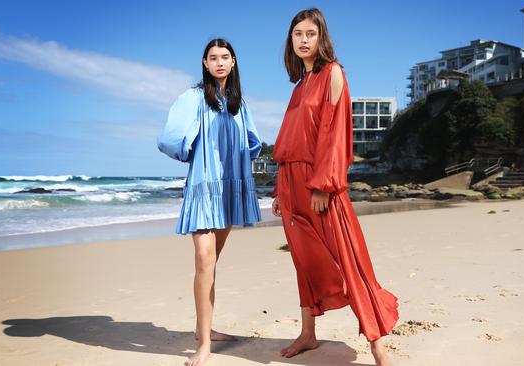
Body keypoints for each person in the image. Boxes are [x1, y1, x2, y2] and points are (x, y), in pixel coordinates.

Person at [271, 8, 398, 366]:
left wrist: (324, 185)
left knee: (350, 259)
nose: (304, 40)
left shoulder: (333, 74)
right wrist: (280, 191)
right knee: (304, 260)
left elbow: (336, 133)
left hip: (318, 183)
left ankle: (378, 344)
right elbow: (289, 142)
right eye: (297, 34)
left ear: (321, 38)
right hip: (290, 182)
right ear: (291, 40)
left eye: (310, 33)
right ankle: (308, 334)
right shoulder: (299, 86)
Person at [157, 38, 262, 366]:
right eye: (213, 57)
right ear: (204, 63)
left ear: (233, 62)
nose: (219, 62)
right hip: (203, 188)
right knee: (204, 261)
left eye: (225, 57)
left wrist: (242, 165)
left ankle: (205, 329)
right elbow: (169, 138)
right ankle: (204, 345)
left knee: (210, 265)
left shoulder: (238, 103)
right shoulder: (192, 98)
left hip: (229, 189)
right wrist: (191, 148)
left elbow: (253, 141)